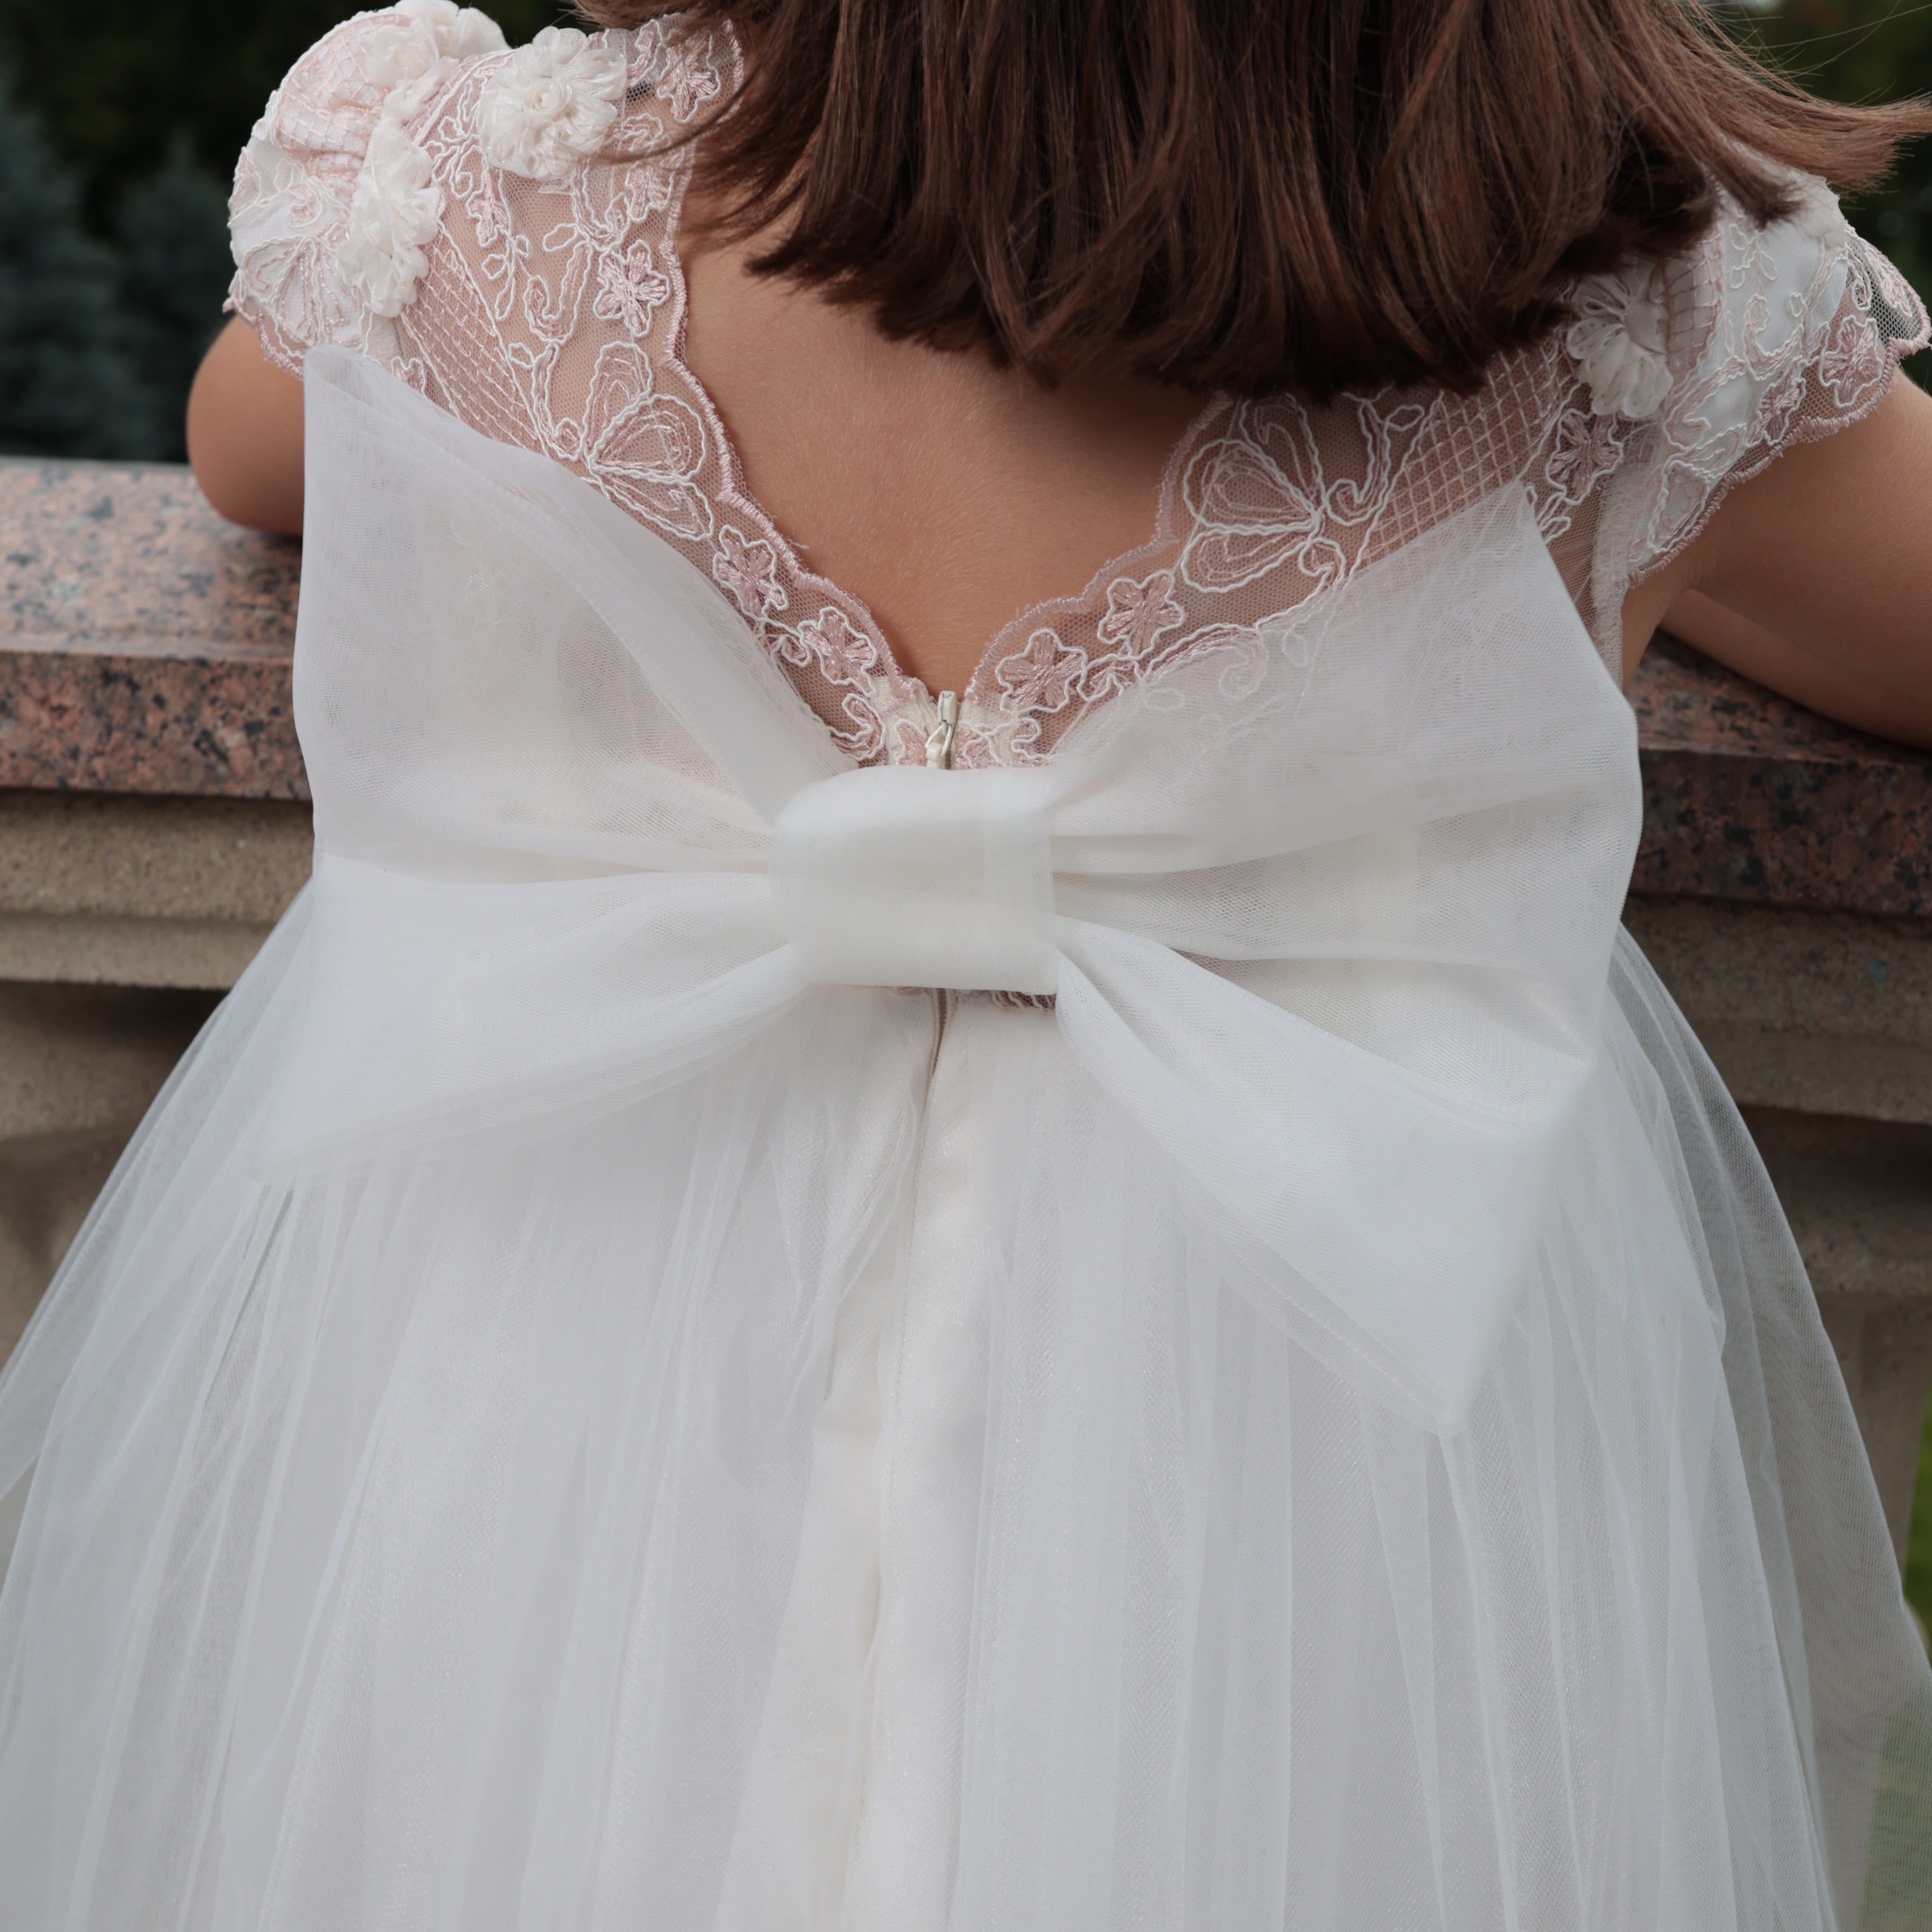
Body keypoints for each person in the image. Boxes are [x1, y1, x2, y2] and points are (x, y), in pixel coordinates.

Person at [2, 0, 1930, 1922]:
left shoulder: (474, 209)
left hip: (551, 1428)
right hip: (1304, 1479)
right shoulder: (1650, 313)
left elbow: (254, 445)